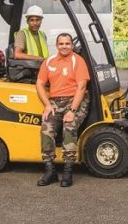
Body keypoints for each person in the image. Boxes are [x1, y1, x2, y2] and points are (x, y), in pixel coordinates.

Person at [35, 33, 90, 187]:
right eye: (61, 44)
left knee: (69, 127)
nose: (64, 46)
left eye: (67, 43)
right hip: (55, 101)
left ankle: (68, 170)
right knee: (46, 128)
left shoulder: (78, 61)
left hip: (76, 100)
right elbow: (39, 84)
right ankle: (50, 170)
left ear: (72, 45)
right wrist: (47, 104)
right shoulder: (49, 62)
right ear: (57, 45)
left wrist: (72, 110)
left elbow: (82, 87)